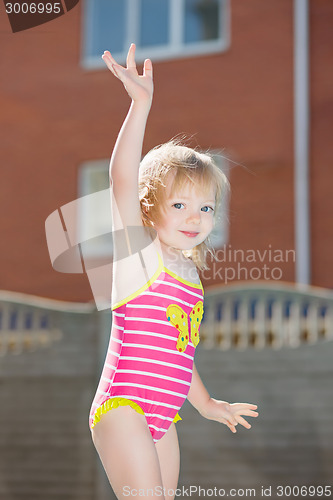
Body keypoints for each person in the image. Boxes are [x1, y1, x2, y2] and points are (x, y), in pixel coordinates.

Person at [89, 43, 259, 500]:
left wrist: (204, 403)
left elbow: (179, 349)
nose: (195, 217)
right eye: (179, 204)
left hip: (164, 415)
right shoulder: (140, 257)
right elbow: (122, 180)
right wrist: (140, 104)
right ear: (148, 209)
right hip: (124, 407)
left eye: (205, 207)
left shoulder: (191, 278)